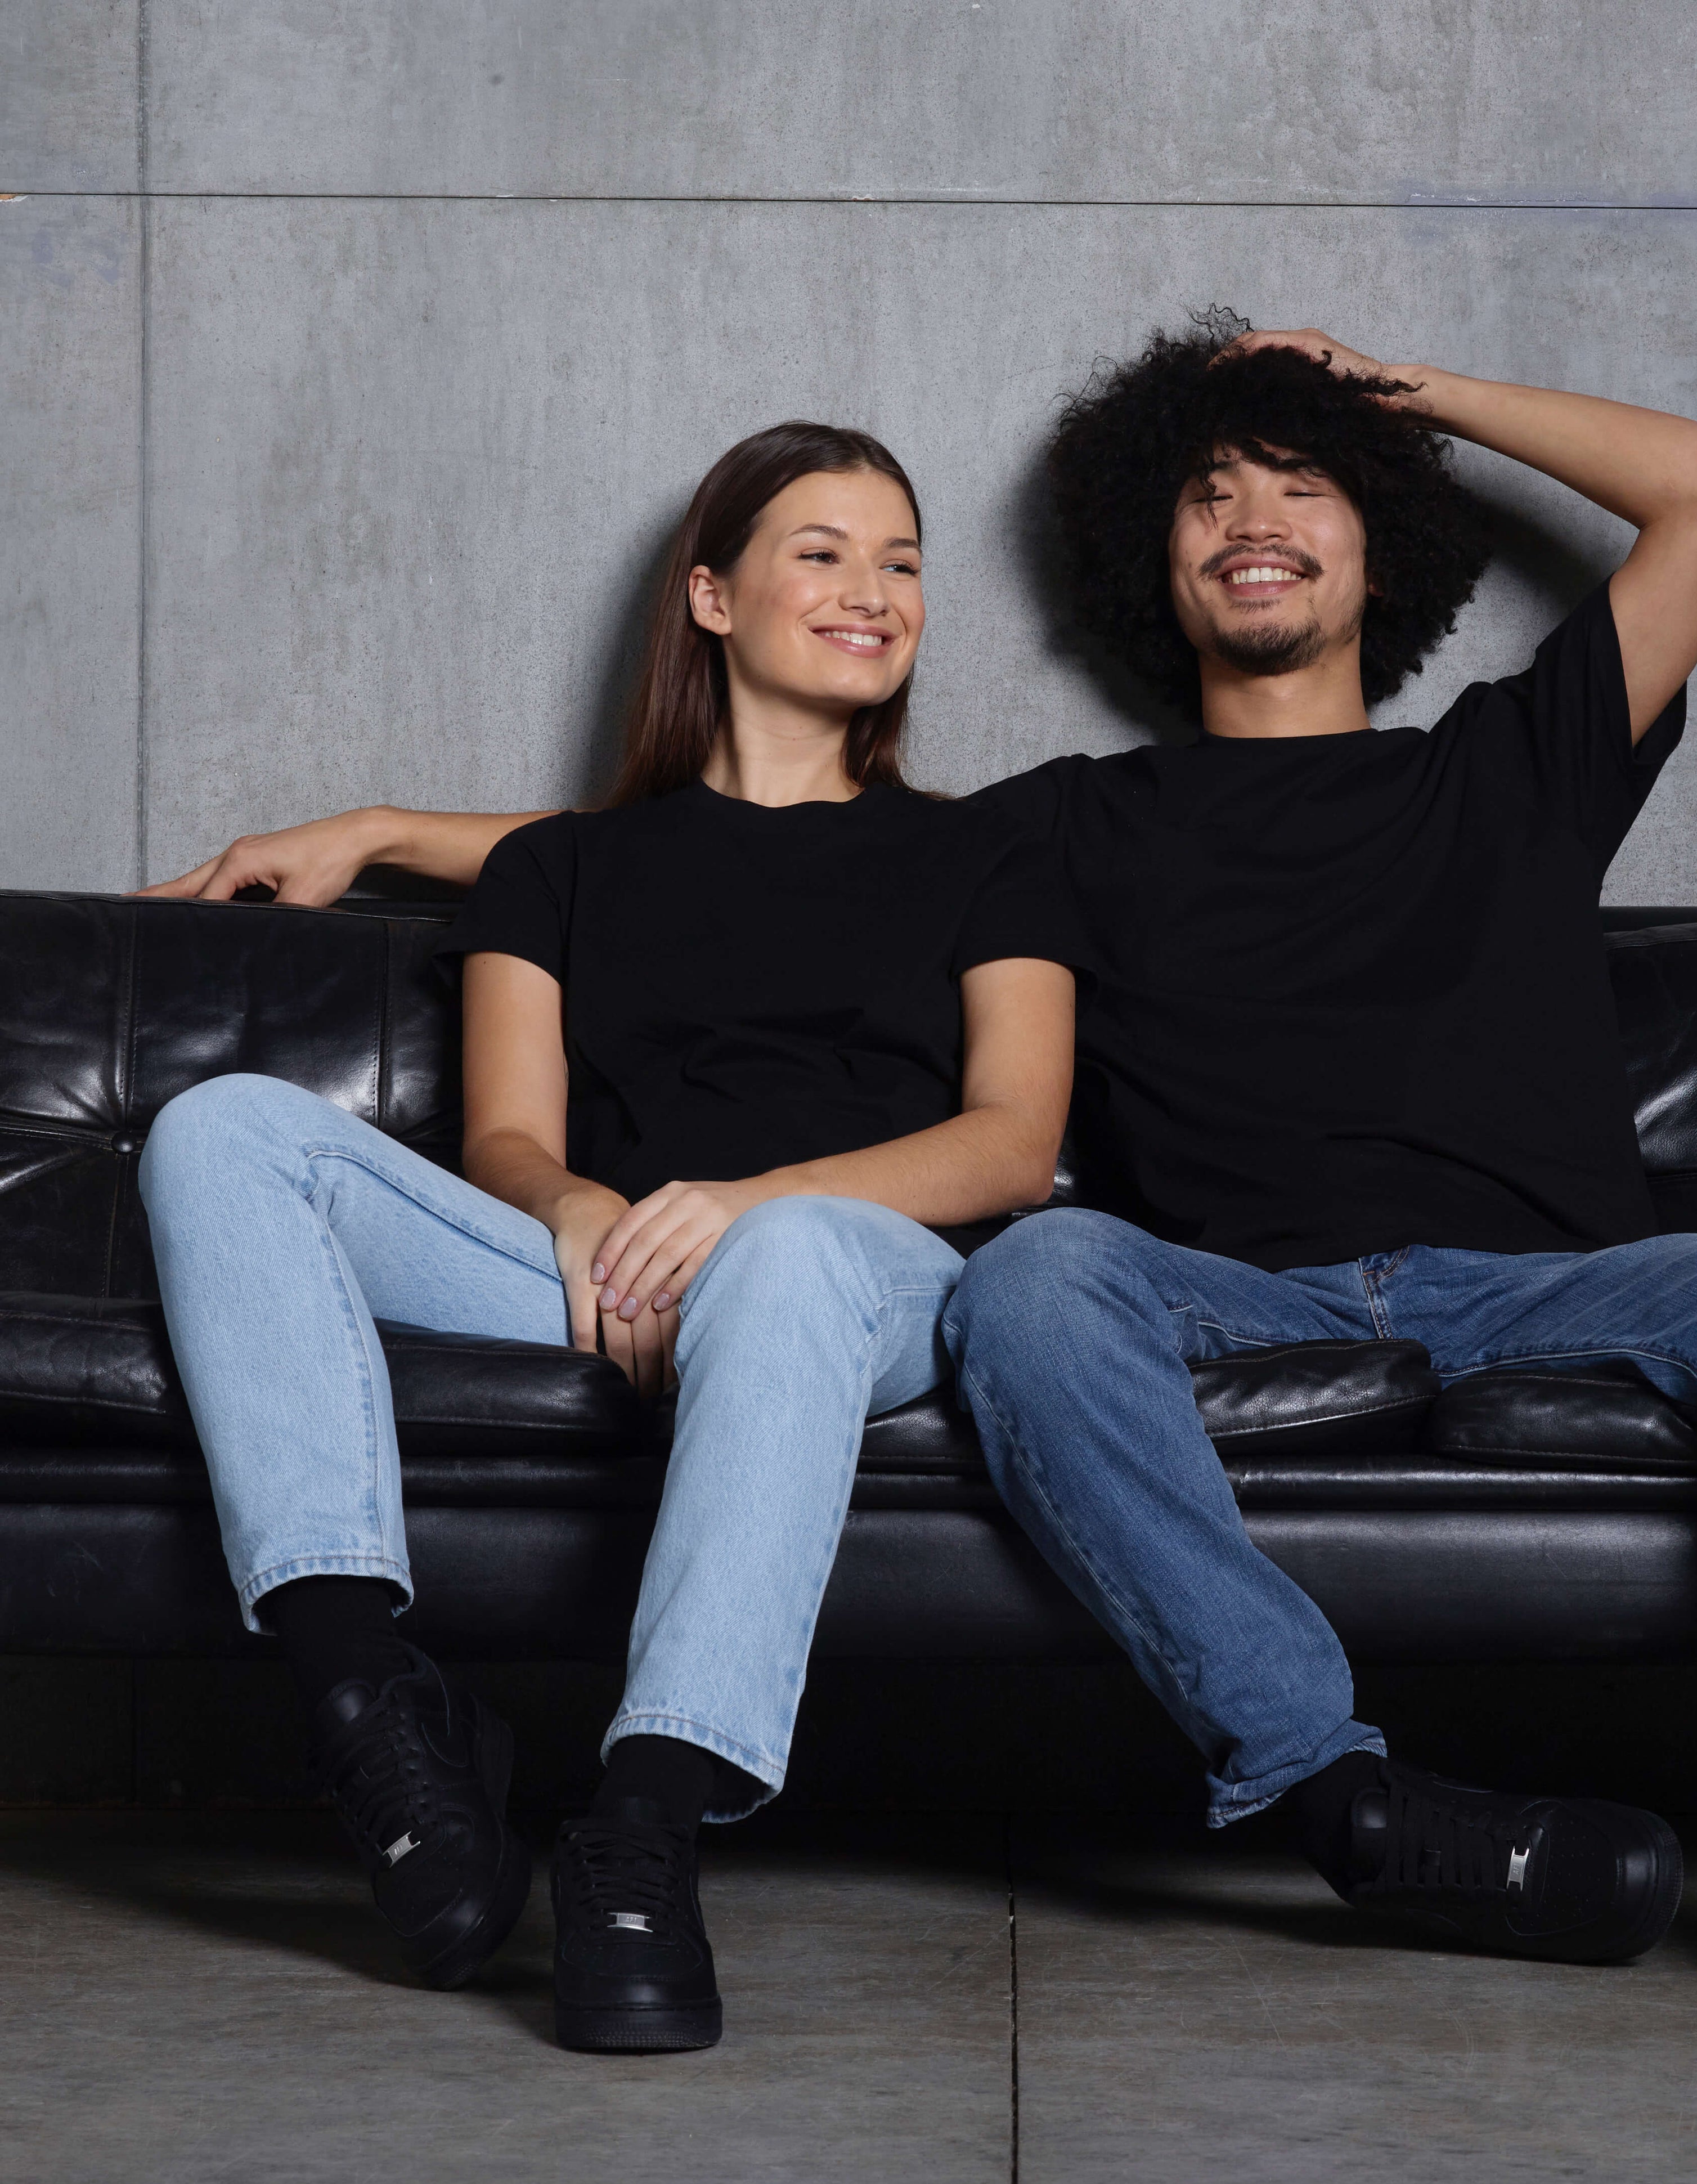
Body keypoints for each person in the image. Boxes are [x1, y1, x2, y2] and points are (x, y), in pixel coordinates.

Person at [149, 317, 1697, 2024]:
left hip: (1542, 1277)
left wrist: (1383, 387)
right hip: (1212, 1285)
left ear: (1384, 528)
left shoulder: (1513, 763)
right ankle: (1326, 1777)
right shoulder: (1062, 828)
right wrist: (382, 828)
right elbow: (744, 856)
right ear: (1145, 561)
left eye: (1306, 487)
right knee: (1032, 1274)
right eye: (1210, 496)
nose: (1256, 520)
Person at [139, 423, 1081, 2052]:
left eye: (905, 562)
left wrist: (748, 1208)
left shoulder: (989, 851)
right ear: (712, 595)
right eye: (826, 552)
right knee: (223, 1128)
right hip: (615, 1274)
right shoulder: (559, 867)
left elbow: (1012, 1146)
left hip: (865, 1278)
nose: (877, 591)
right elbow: (507, 1135)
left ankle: (639, 1824)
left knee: (787, 1263)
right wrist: (580, 1212)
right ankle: (375, 1707)